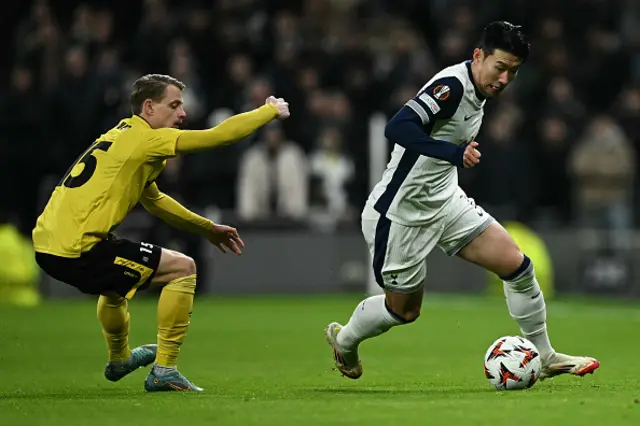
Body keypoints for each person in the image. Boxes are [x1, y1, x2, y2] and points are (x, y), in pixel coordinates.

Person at [325, 22, 599, 381]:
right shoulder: (452, 86)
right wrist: (452, 153)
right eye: (499, 68)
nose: (504, 79)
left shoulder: (481, 92)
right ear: (478, 56)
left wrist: (449, 160)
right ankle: (344, 341)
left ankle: (545, 356)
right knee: (404, 312)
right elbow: (398, 126)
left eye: (512, 72)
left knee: (517, 265)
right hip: (401, 213)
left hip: (445, 201)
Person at [33, 74, 290, 392]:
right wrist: (267, 111)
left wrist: (206, 228)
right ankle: (164, 370)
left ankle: (120, 359)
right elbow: (217, 136)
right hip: (78, 249)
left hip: (48, 245)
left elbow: (155, 201)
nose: (182, 114)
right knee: (183, 269)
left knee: (115, 287)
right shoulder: (147, 139)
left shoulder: (121, 135)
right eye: (174, 105)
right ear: (149, 107)